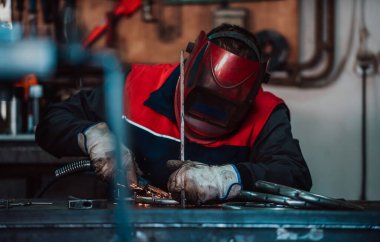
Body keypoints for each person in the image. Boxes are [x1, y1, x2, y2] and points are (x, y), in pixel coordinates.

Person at [36, 24, 312, 205]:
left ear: (249, 98)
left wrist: (227, 178)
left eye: (222, 109)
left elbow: (295, 174)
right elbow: (50, 122)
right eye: (201, 101)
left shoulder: (267, 111)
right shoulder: (137, 84)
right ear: (187, 68)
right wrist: (94, 137)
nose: (206, 115)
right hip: (129, 234)